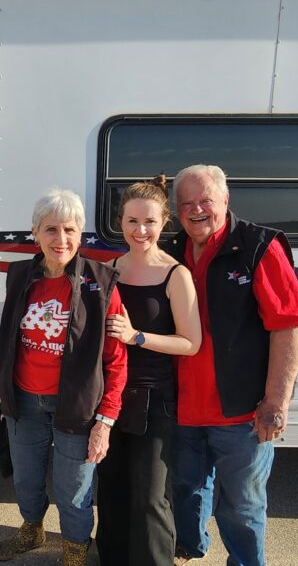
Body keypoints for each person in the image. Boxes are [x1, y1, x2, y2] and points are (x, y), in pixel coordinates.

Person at [166, 165, 298, 566]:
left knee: (241, 506)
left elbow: (289, 327)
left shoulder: (257, 246)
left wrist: (275, 403)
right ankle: (191, 546)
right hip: (182, 409)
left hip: (243, 413)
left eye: (206, 201)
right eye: (187, 204)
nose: (197, 210)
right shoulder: (171, 251)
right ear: (177, 210)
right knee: (185, 488)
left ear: (225, 200)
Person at [0, 189, 128, 566]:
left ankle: (75, 552)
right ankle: (32, 531)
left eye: (70, 229)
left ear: (81, 235)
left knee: (74, 490)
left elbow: (117, 361)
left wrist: (105, 421)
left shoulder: (101, 284)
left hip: (77, 407)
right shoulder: (21, 276)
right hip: (24, 401)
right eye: (51, 229)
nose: (61, 239)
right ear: (35, 232)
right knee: (26, 479)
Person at [97, 175, 201, 566]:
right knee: (110, 487)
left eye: (150, 222)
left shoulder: (176, 275)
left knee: (150, 494)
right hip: (110, 398)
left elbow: (191, 343)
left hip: (155, 400)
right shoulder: (108, 270)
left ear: (165, 223)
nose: (141, 231)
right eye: (132, 222)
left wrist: (136, 336)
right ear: (120, 223)